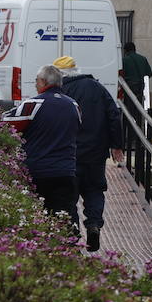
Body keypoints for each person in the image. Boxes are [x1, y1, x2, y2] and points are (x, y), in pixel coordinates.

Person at [55, 55, 124, 253]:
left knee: (69, 196)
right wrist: (116, 145)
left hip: (70, 154)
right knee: (94, 190)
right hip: (95, 153)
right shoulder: (97, 87)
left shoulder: (61, 92)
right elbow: (113, 115)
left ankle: (74, 232)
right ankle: (94, 224)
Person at [2, 64, 81, 229]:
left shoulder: (32, 104)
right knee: (66, 217)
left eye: (36, 81)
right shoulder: (74, 106)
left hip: (38, 171)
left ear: (44, 82)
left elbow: (5, 124)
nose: (35, 84)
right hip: (66, 171)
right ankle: (70, 249)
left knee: (38, 220)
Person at [121, 41, 152, 127]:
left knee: (127, 113)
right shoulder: (143, 59)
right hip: (140, 89)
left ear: (126, 51)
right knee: (138, 113)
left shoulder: (124, 60)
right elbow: (149, 74)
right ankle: (137, 137)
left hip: (129, 90)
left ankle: (128, 136)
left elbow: (120, 76)